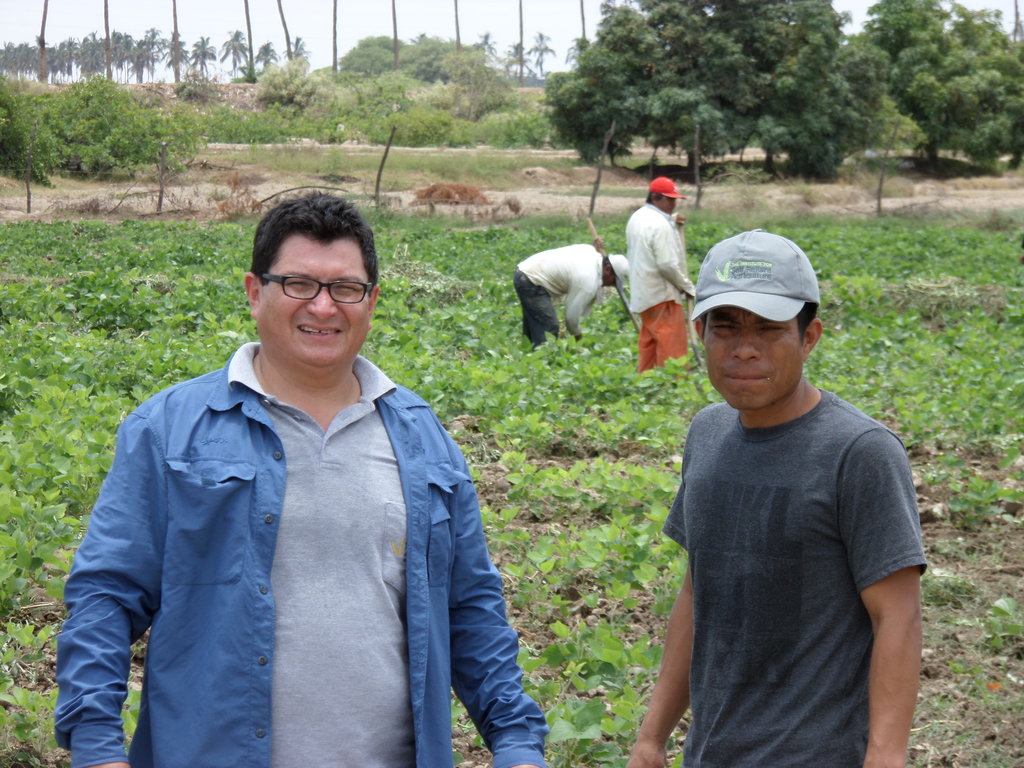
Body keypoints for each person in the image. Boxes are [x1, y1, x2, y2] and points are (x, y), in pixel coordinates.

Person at [54, 193, 548, 768]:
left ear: (371, 301)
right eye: (298, 284)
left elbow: (471, 607)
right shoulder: (169, 430)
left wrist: (516, 742)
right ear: (254, 291)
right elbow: (107, 595)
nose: (323, 306)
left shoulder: (422, 437)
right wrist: (96, 746)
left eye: (346, 288)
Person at [626, 230, 926, 768]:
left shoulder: (859, 452)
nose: (745, 348)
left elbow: (897, 617)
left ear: (809, 337)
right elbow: (698, 590)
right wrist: (653, 737)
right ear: (699, 333)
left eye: (769, 329)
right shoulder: (707, 434)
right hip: (710, 751)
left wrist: (886, 756)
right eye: (726, 327)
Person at [626, 177, 695, 372]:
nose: (673, 204)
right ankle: (676, 383)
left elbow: (653, 229)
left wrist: (673, 219)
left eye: (675, 200)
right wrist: (687, 286)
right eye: (669, 199)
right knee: (673, 348)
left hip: (643, 293)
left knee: (650, 343)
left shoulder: (637, 217)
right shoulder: (660, 225)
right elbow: (666, 265)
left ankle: (646, 381)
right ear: (655, 197)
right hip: (662, 295)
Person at [513, 242, 628, 347]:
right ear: (607, 269)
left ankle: (528, 354)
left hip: (526, 271)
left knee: (533, 325)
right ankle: (542, 359)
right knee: (549, 327)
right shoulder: (588, 282)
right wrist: (578, 339)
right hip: (531, 280)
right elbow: (571, 318)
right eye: (614, 281)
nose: (612, 285)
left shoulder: (590, 251)